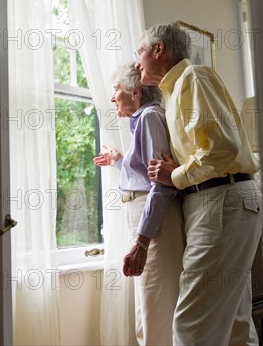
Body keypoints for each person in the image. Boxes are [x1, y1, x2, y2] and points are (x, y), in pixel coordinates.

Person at [135, 23, 263, 345]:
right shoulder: (174, 93)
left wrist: (174, 176)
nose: (137, 63)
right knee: (235, 322)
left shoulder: (193, 78)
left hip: (221, 199)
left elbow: (222, 148)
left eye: (140, 52)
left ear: (158, 49)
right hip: (224, 199)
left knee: (191, 324)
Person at [94, 62, 184, 346]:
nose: (112, 97)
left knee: (156, 308)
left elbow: (160, 185)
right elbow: (146, 176)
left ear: (134, 92)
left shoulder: (149, 118)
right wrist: (120, 161)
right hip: (148, 219)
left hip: (154, 222)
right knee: (149, 307)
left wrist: (143, 242)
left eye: (116, 89)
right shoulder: (144, 119)